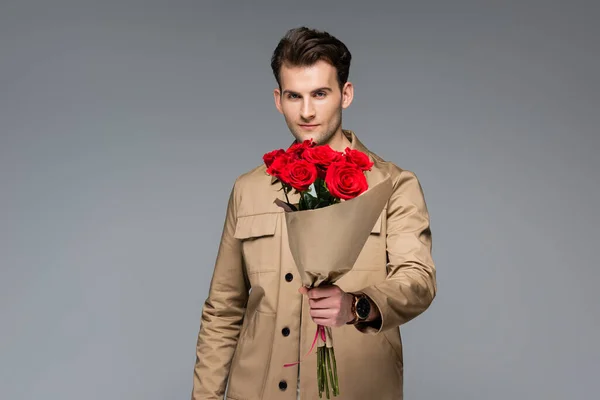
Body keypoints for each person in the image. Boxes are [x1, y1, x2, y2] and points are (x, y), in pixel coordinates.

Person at [191, 26, 437, 400]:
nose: (306, 111)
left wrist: (356, 306)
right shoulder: (248, 188)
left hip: (358, 390)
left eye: (320, 94)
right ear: (278, 99)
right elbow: (223, 309)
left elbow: (417, 282)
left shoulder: (393, 185)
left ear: (346, 94)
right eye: (294, 96)